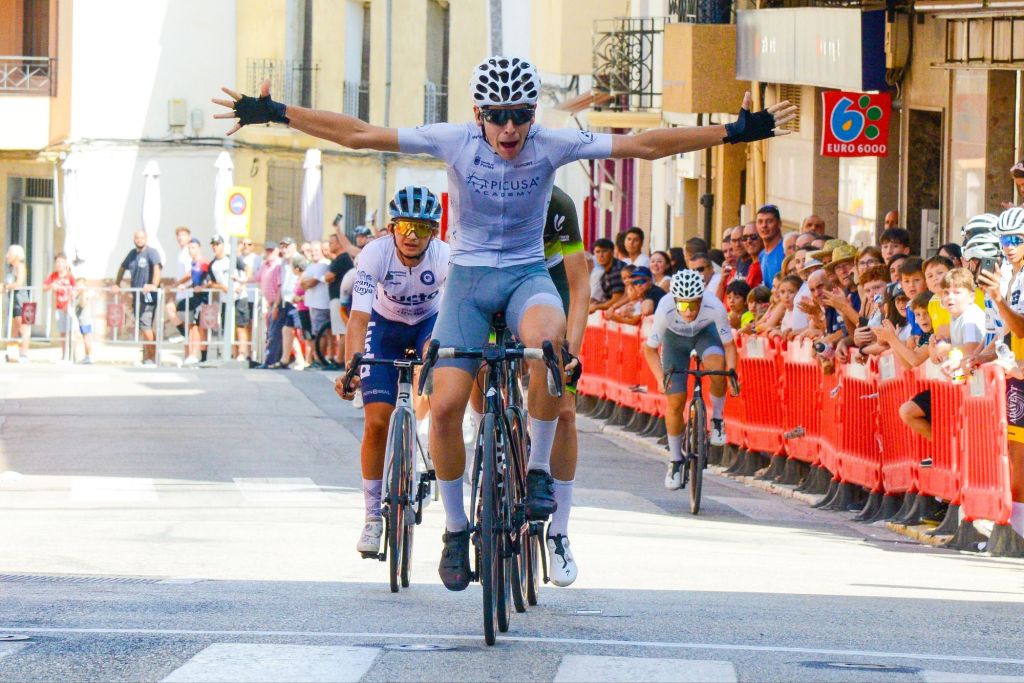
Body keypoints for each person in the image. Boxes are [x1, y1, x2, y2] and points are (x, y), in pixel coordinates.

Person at [214, 54, 794, 591]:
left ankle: (537, 471)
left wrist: (732, 132)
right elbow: (360, 135)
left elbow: (643, 145)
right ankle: (455, 529)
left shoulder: (552, 143)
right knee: (445, 407)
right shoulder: (454, 141)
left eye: (520, 115)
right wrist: (277, 113)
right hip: (467, 284)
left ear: (533, 114)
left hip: (525, 277)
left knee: (548, 347)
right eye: (498, 117)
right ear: (478, 115)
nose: (511, 129)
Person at [334, 186, 450, 558]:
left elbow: (451, 318)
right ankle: (372, 518)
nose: (412, 235)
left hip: (429, 324)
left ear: (434, 232)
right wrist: (352, 368)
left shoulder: (444, 257)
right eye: (404, 227)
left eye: (422, 227)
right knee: (376, 423)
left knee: (440, 373)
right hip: (384, 328)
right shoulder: (374, 253)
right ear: (391, 228)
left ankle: (428, 444)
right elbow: (358, 317)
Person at [642, 270, 736, 489]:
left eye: (694, 305)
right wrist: (660, 377)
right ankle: (675, 460)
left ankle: (717, 420)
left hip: (706, 336)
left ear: (702, 299)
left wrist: (731, 372)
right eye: (683, 305)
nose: (689, 311)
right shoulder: (665, 308)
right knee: (675, 401)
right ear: (675, 301)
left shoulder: (715, 306)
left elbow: (730, 346)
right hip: (675, 343)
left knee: (717, 369)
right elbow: (649, 349)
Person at [539, 185, 590, 586]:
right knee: (483, 370)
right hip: (498, 275)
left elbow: (579, 285)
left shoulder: (558, 203)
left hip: (551, 280)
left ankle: (559, 532)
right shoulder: (483, 184)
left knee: (566, 413)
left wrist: (572, 348)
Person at [900, 269, 984, 446]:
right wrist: (937, 342)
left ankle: (949, 451)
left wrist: (947, 348)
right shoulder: (956, 316)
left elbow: (972, 349)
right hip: (962, 386)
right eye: (946, 293)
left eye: (957, 292)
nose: (950, 297)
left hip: (976, 389)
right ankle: (947, 451)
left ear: (971, 296)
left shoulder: (970, 316)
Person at [111, 230, 163, 366]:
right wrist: (117, 283)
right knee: (143, 326)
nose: (139, 240)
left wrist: (153, 284)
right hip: (137, 296)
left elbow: (157, 268)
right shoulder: (132, 254)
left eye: (142, 238)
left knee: (145, 325)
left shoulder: (151, 252)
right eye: (137, 238)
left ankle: (152, 357)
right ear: (134, 239)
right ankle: (147, 357)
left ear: (146, 238)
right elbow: (122, 267)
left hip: (148, 295)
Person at [202, 234, 249, 360]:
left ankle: (242, 353)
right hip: (225, 299)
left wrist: (243, 283)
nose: (215, 247)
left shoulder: (232, 259)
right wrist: (222, 287)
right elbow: (210, 283)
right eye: (213, 244)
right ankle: (232, 353)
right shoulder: (213, 264)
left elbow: (247, 268)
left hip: (239, 296)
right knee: (228, 327)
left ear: (223, 245)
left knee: (240, 326)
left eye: (217, 244)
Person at [172, 238, 208, 366]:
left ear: (199, 248)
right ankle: (193, 354)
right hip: (195, 296)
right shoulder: (193, 263)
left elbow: (209, 280)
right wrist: (185, 286)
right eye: (189, 248)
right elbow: (192, 279)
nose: (191, 251)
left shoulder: (204, 263)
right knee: (192, 326)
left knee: (198, 327)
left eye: (193, 248)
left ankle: (196, 355)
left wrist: (202, 288)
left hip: (203, 298)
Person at [299, 240, 332, 367]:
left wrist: (306, 282)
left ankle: (319, 360)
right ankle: (318, 359)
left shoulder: (324, 264)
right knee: (317, 333)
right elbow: (302, 283)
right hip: (313, 304)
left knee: (320, 333)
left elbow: (311, 283)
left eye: (316, 250)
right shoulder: (311, 265)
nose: (313, 253)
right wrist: (306, 282)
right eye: (311, 251)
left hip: (321, 304)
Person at [325, 233, 355, 369]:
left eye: (331, 243)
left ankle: (339, 360)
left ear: (339, 243)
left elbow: (328, 277)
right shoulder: (340, 258)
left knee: (343, 330)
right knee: (341, 330)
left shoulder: (342, 258)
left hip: (340, 298)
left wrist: (326, 277)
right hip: (339, 298)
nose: (329, 245)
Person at [166, 226, 194, 342]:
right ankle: (185, 335)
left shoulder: (188, 252)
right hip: (181, 293)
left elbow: (189, 273)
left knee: (188, 321)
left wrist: (175, 285)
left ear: (189, 237)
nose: (180, 237)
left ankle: (187, 337)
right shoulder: (182, 253)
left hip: (188, 292)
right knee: (170, 309)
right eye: (178, 235)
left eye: (183, 235)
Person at [3, 244, 30, 362]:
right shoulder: (12, 269)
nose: (7, 256)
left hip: (23, 302)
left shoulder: (20, 267)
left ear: (16, 255)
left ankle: (24, 354)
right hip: (15, 302)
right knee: (14, 329)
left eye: (9, 253)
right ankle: (12, 354)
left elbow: (19, 283)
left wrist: (6, 286)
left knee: (23, 329)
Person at [590, 239, 626, 313]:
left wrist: (596, 307)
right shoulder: (605, 271)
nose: (601, 255)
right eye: (597, 252)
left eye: (604, 251)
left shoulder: (617, 270)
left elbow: (617, 300)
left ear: (612, 252)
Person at [756, 204, 785, 287]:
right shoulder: (762, 255)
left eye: (769, 221)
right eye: (760, 222)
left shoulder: (785, 250)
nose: (764, 226)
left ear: (779, 224)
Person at [740, 223, 763, 287]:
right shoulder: (752, 265)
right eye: (745, 238)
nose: (749, 241)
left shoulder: (764, 265)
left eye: (753, 237)